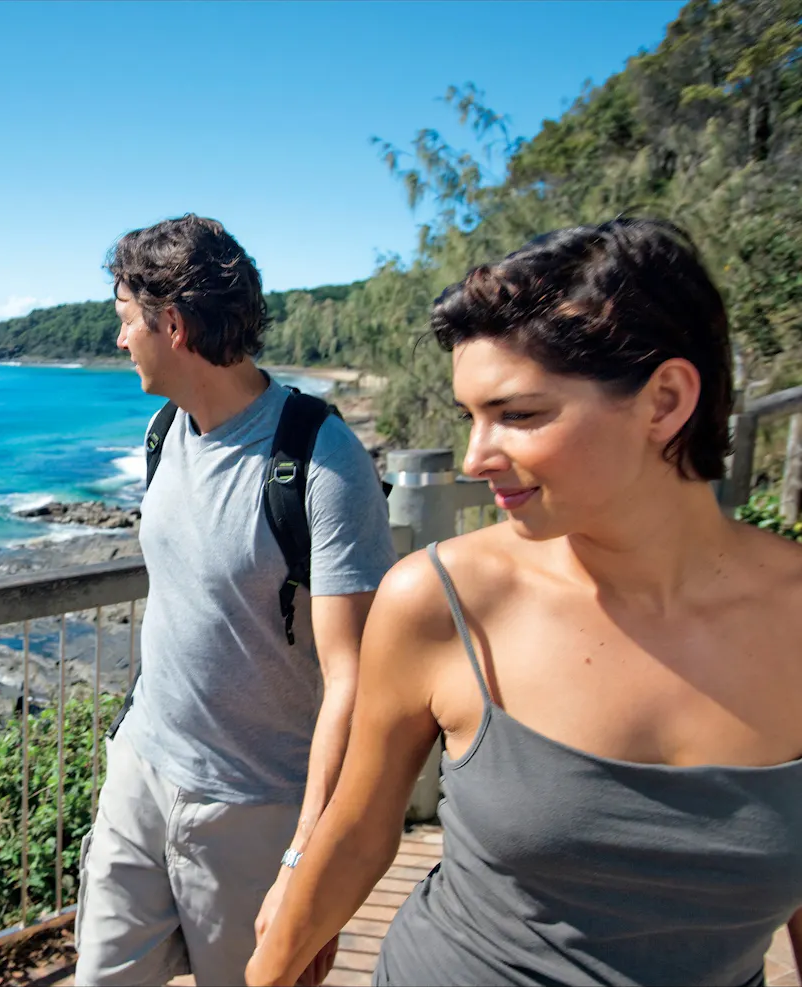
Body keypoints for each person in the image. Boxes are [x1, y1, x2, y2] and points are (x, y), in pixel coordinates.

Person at [246, 217, 802, 987]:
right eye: (471, 417)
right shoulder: (441, 600)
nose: (477, 458)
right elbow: (359, 832)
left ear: (665, 400)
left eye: (520, 414)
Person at [74, 214, 396, 986]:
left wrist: (305, 857)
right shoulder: (163, 432)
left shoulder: (320, 460)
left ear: (173, 325)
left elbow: (355, 679)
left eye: (126, 323)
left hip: (256, 810)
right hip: (142, 771)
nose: (121, 342)